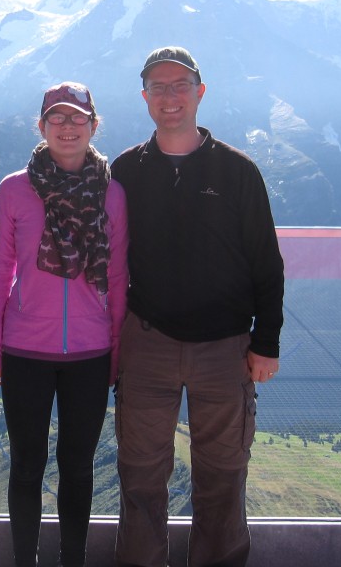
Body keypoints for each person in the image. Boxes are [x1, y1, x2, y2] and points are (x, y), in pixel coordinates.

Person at [111, 46, 285, 567]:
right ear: (144, 98)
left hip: (226, 347)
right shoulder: (124, 171)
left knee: (224, 475)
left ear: (200, 92)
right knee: (140, 475)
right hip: (147, 342)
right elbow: (107, 258)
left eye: (179, 85)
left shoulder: (238, 171)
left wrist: (266, 343)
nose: (169, 96)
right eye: (158, 87)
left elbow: (266, 262)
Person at [0, 82, 129, 567]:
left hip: (89, 353)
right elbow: (0, 275)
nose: (68, 126)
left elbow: (119, 277)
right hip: (25, 351)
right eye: (57, 118)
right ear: (42, 127)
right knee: (26, 466)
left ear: (93, 125)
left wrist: (117, 353)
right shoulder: (14, 189)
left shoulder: (114, 194)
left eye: (78, 117)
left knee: (78, 468)